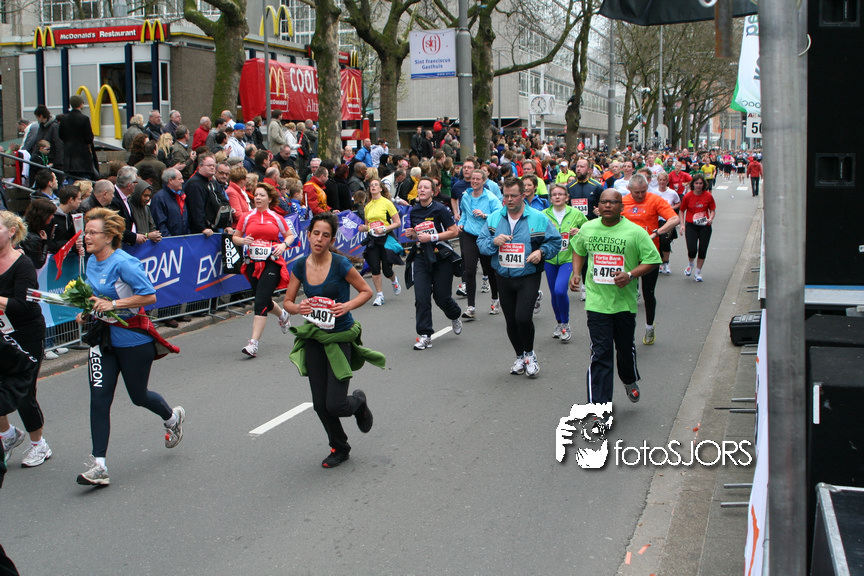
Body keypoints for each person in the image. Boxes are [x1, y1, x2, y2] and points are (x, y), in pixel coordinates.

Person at [75, 208, 184, 486]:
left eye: (92, 233)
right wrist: (87, 310)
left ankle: (172, 418)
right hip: (103, 340)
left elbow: (149, 295)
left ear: (109, 236)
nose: (87, 237)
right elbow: (94, 295)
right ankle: (99, 465)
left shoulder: (125, 263)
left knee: (138, 396)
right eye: (86, 232)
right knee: (99, 399)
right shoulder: (91, 261)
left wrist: (113, 304)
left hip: (133, 339)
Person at [283, 212, 381, 468]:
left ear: (332, 240)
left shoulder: (340, 265)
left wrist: (346, 306)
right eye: (316, 233)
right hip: (315, 338)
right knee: (319, 404)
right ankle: (340, 447)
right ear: (308, 235)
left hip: (339, 338)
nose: (319, 239)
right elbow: (288, 302)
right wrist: (299, 308)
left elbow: (366, 291)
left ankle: (358, 403)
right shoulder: (300, 266)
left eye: (325, 235)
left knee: (335, 404)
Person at [569, 189, 662, 404]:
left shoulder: (635, 232)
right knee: (600, 354)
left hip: (624, 303)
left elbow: (652, 260)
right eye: (604, 202)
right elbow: (578, 249)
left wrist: (630, 275)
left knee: (624, 349)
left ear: (622, 207)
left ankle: (629, 379)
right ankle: (599, 406)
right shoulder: (588, 228)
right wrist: (576, 273)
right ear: (598, 206)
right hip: (596, 302)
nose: (608, 206)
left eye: (613, 202)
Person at [477, 177, 561, 377]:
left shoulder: (538, 218)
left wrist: (541, 252)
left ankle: (530, 354)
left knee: (523, 318)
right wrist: (493, 242)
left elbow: (555, 242)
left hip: (528, 275)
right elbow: (481, 243)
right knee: (511, 321)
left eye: (513, 196)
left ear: (523, 195)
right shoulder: (494, 218)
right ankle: (519, 356)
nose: (509, 199)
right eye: (506, 195)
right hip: (503, 275)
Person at [0, 211, 53, 469]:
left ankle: (39, 444)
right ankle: (8, 434)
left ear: (11, 232)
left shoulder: (23, 265)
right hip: (2, 335)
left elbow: (24, 306)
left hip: (27, 333)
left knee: (23, 392)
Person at [231, 182, 295, 358]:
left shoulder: (276, 217)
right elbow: (235, 237)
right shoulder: (246, 217)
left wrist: (283, 245)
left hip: (271, 262)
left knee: (260, 301)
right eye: (256, 195)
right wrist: (243, 241)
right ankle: (282, 315)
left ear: (269, 199)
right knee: (263, 298)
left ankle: (253, 344)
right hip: (252, 262)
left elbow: (290, 235)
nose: (258, 198)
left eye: (262, 195)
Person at [403, 177, 463, 350]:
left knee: (441, 297)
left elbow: (453, 232)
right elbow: (418, 235)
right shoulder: (414, 211)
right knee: (421, 297)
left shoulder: (440, 209)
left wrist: (432, 237)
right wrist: (412, 235)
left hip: (440, 257)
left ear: (433, 192)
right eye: (420, 187)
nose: (422, 190)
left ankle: (455, 314)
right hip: (421, 256)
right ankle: (425, 335)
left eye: (426, 187)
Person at [621, 174, 679, 344]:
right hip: (627, 254)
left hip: (649, 254)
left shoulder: (654, 200)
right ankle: (626, 329)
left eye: (643, 191)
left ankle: (649, 327)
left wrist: (657, 233)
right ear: (629, 189)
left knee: (648, 293)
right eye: (637, 192)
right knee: (627, 293)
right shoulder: (623, 202)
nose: (640, 195)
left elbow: (674, 219)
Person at [542, 184, 587, 342]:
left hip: (568, 259)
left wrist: (579, 231)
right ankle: (559, 323)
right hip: (550, 259)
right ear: (550, 198)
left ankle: (565, 324)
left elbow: (589, 229)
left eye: (560, 194)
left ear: (567, 197)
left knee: (560, 291)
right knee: (554, 293)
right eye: (554, 194)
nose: (557, 197)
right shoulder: (544, 214)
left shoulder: (576, 213)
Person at [458, 170, 502, 318]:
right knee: (469, 270)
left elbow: (499, 215)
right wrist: (461, 223)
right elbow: (464, 213)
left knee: (489, 270)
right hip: (469, 235)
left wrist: (485, 215)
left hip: (486, 236)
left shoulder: (490, 198)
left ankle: (495, 299)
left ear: (483, 181)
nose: (475, 181)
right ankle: (471, 307)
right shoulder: (466, 196)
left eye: (478, 179)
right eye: (473, 179)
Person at [358, 179, 401, 306]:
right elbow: (368, 225)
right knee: (375, 268)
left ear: (381, 188)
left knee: (387, 270)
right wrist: (363, 228)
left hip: (386, 239)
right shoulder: (368, 206)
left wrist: (384, 229)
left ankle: (394, 280)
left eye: (376, 185)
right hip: (373, 240)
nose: (373, 187)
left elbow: (397, 222)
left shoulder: (387, 203)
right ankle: (379, 295)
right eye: (371, 185)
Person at [678, 173, 716, 282]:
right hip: (691, 225)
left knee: (702, 250)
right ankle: (690, 263)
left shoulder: (708, 195)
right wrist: (682, 225)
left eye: (700, 183)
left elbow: (712, 210)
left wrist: (710, 218)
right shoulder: (688, 196)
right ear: (693, 184)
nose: (698, 185)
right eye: (696, 183)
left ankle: (698, 272)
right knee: (692, 249)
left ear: (704, 184)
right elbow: (682, 210)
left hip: (705, 226)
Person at [654, 171, 681, 275]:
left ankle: (666, 262)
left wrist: (671, 208)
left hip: (667, 220)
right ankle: (660, 262)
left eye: (664, 180)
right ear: (658, 181)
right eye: (660, 180)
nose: (662, 182)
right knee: (658, 242)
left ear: (667, 181)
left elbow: (678, 203)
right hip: (656, 220)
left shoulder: (672, 193)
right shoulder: (654, 192)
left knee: (665, 241)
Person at [151, 168, 189, 237]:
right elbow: (160, 223)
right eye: (179, 179)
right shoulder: (159, 198)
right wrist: (169, 240)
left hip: (184, 240)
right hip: (169, 240)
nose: (182, 181)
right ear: (170, 180)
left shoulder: (181, 195)